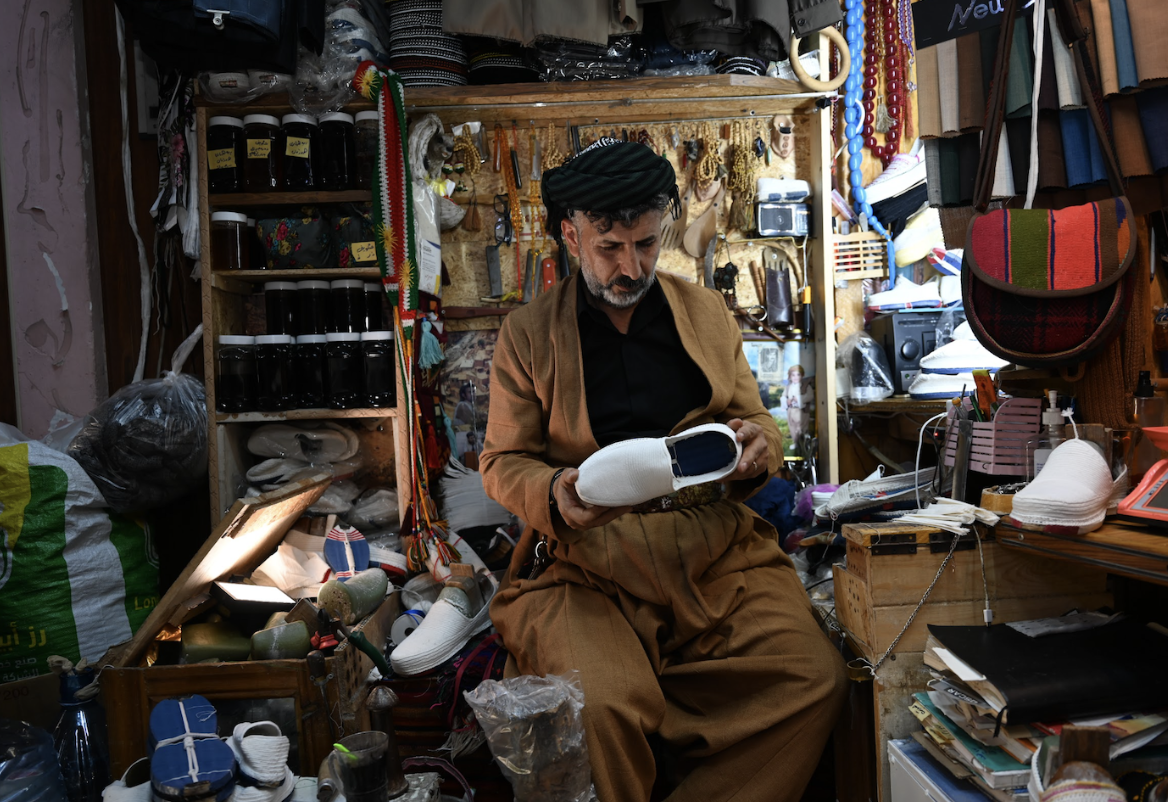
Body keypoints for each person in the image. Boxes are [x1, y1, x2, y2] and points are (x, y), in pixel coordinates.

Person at [480, 139, 847, 802]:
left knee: (812, 678)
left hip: (715, 550)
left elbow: (758, 421)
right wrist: (554, 492)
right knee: (601, 705)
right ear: (571, 236)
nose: (631, 267)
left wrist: (757, 446)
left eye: (646, 244)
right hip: (591, 564)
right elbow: (502, 462)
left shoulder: (705, 312)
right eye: (609, 247)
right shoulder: (529, 333)